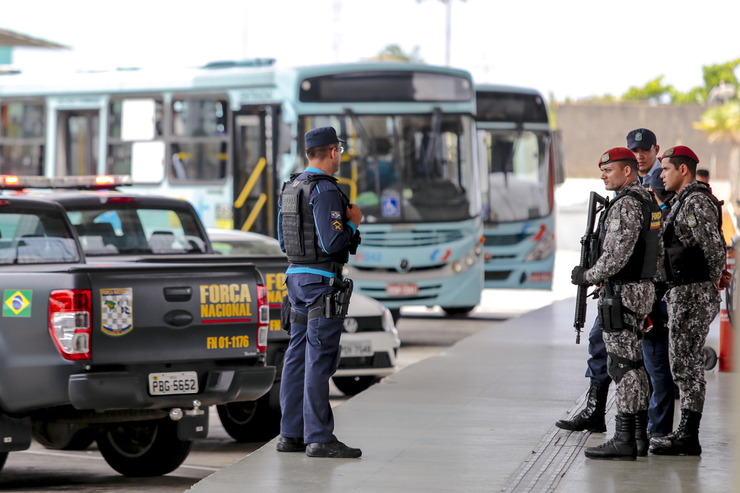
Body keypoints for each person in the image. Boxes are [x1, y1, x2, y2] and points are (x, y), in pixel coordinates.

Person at [276, 126, 363, 459]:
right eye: (338, 151)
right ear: (332, 152)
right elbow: (334, 242)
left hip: (294, 280)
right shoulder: (325, 190)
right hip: (320, 284)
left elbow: (285, 242)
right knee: (319, 358)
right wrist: (353, 221)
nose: (339, 156)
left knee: (296, 356)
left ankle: (291, 434)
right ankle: (319, 438)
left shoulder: (291, 187)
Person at [571, 147, 662, 460]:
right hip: (640, 290)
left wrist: (586, 274)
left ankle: (624, 438)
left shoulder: (626, 205)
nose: (603, 175)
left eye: (608, 170)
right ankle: (637, 435)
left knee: (622, 366)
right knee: (635, 365)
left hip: (623, 293)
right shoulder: (648, 200)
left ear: (626, 171)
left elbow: (614, 257)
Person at [650, 146, 726, 456]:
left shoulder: (694, 202)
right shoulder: (681, 202)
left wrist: (711, 279)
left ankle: (688, 435)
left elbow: (714, 248)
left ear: (683, 170)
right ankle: (685, 432)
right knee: (682, 363)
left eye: (666, 169)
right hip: (684, 291)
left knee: (687, 366)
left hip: (692, 293)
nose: (661, 174)